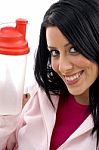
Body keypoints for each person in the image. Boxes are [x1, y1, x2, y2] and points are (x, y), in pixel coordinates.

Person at [0, 0, 99, 149]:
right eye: (55, 52)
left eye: (74, 50)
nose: (63, 67)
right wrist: (7, 113)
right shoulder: (36, 97)